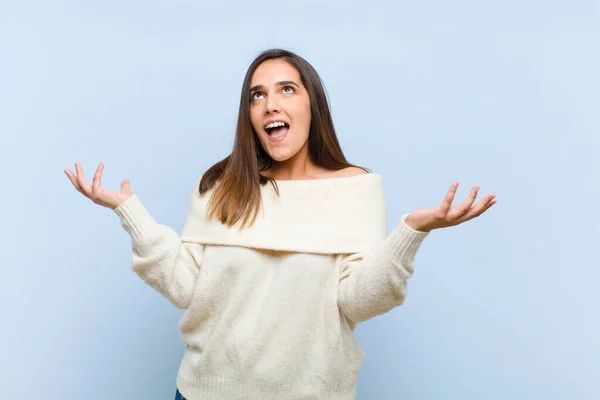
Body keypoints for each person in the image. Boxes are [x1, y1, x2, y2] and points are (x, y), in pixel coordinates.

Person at [64, 48, 496, 400]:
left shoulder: (356, 188)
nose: (270, 103)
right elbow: (186, 287)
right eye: (256, 95)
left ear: (312, 104)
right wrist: (130, 213)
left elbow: (358, 301)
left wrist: (412, 232)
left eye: (286, 89)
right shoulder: (221, 185)